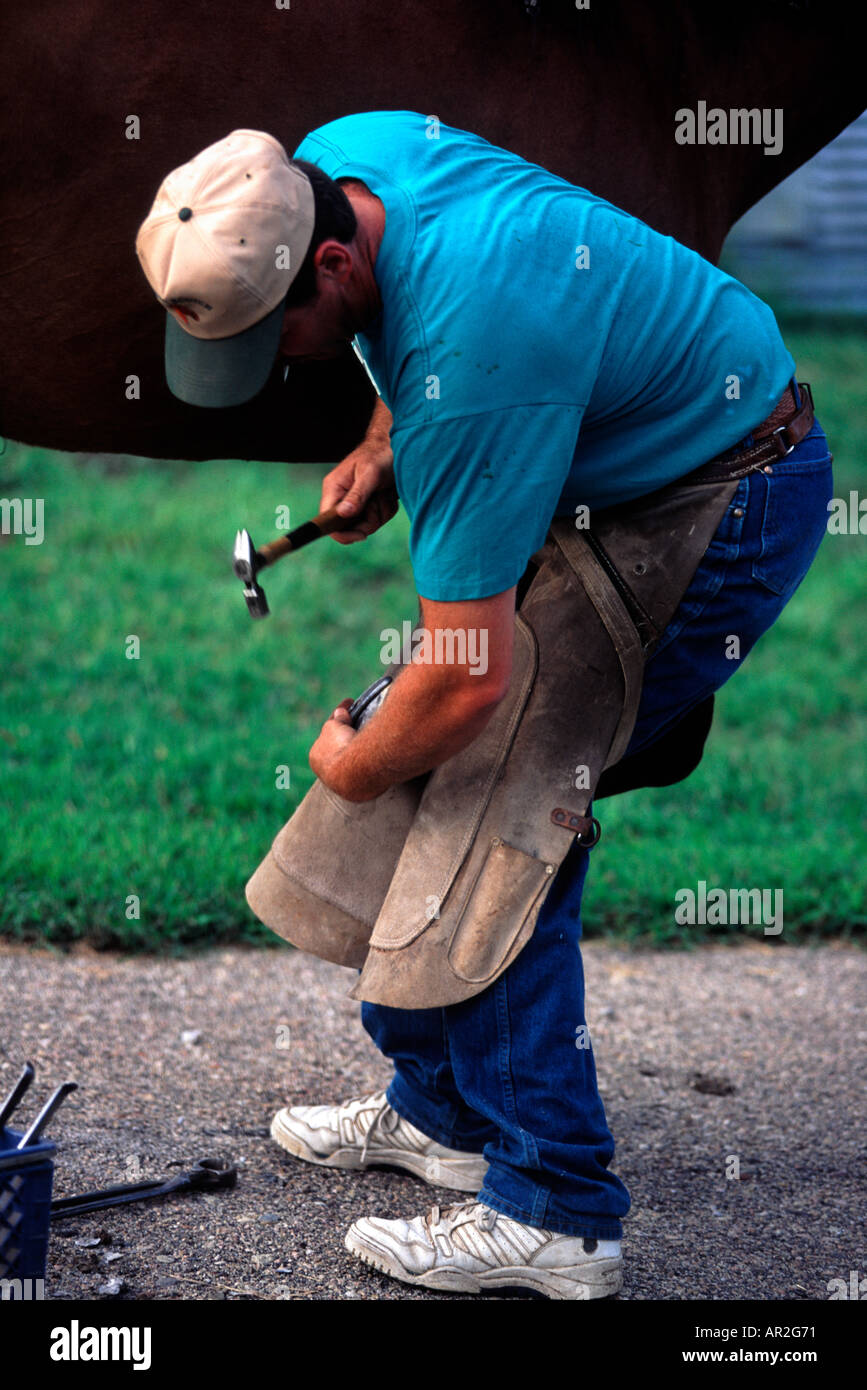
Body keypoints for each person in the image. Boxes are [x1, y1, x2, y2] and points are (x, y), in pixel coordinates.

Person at [136, 115, 832, 1300]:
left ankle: (558, 1209)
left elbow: (466, 674)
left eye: (281, 335)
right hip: (605, 448)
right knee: (426, 744)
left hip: (726, 491)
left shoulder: (476, 369)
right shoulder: (345, 157)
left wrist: (354, 766)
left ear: (331, 261)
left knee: (502, 808)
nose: (286, 360)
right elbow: (424, 339)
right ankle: (445, 1113)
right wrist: (383, 438)